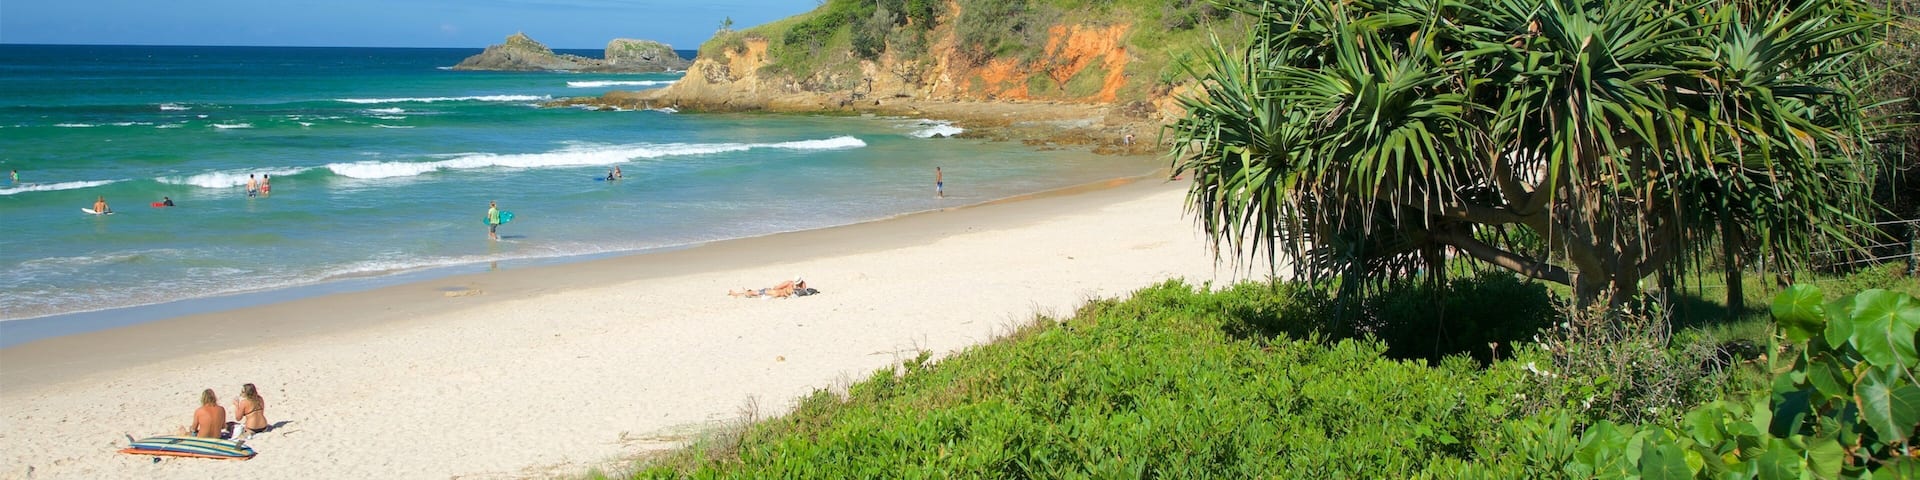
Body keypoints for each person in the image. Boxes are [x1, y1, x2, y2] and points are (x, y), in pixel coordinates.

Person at [729, 276, 814, 299]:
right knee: (758, 294)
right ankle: (745, 293)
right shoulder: (803, 286)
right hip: (781, 295)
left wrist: (773, 288)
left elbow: (777, 287)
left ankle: (737, 294)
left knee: (758, 292)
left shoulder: (790, 283)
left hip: (776, 293)